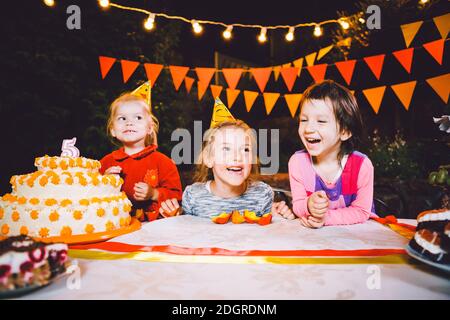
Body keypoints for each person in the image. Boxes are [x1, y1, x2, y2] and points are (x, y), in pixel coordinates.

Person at [159, 98, 292, 219]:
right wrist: (174, 217)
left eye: (245, 149)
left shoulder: (262, 194)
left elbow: (271, 235)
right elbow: (186, 233)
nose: (237, 156)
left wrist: (281, 218)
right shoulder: (193, 196)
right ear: (208, 159)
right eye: (226, 149)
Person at [289, 80, 376, 228]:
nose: (308, 128)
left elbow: (362, 211)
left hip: (358, 238)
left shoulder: (361, 166)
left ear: (345, 131)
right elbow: (298, 204)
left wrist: (325, 218)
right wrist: (308, 205)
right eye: (304, 120)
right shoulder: (298, 163)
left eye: (321, 121)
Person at [100, 92, 182, 221]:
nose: (129, 123)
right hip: (115, 226)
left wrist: (154, 193)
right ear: (113, 130)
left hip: (154, 227)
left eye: (138, 118)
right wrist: (104, 183)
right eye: (122, 118)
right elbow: (91, 197)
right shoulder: (106, 163)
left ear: (150, 128)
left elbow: (176, 196)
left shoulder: (163, 162)